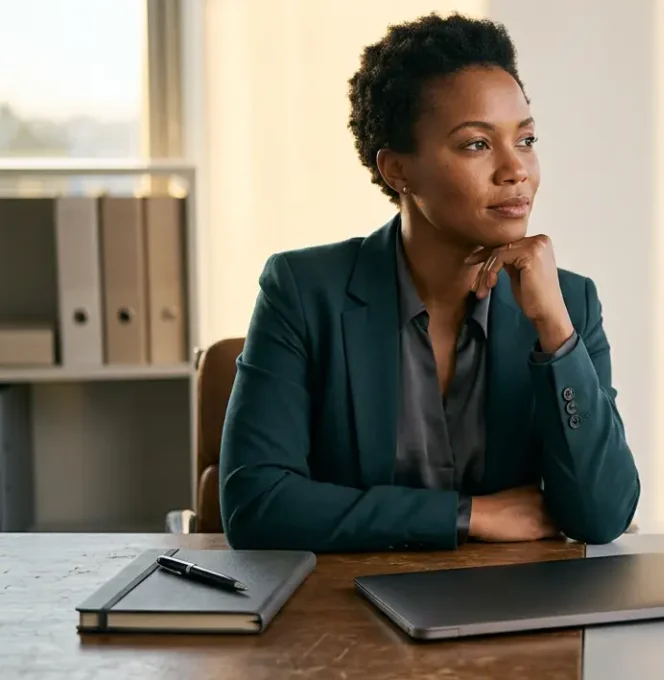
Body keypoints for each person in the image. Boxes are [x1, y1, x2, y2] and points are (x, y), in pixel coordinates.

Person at [218, 13, 640, 552]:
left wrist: (554, 331)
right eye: (476, 145)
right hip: (346, 619)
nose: (516, 170)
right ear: (399, 171)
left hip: (513, 617)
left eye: (526, 139)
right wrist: (469, 516)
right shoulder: (303, 291)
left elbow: (602, 515)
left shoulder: (568, 302)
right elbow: (257, 504)